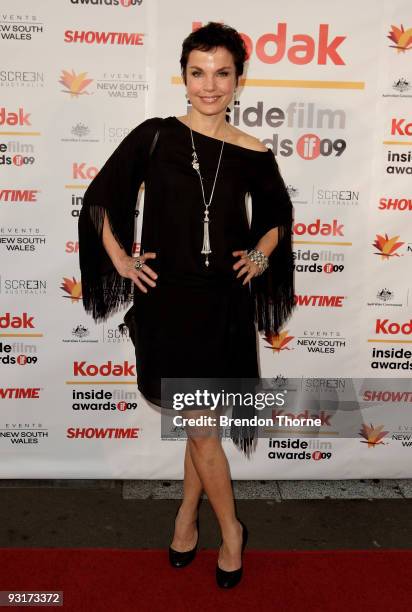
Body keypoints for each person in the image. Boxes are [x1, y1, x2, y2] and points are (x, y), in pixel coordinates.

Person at [78, 22, 294, 589]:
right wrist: (123, 262)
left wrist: (262, 255)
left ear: (238, 80)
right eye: (198, 72)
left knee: (201, 427)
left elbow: (276, 219)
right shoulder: (154, 136)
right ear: (184, 76)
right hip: (166, 304)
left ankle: (202, 526)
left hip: (222, 306)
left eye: (222, 73)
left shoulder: (252, 151)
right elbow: (99, 199)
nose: (210, 85)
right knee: (201, 427)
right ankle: (214, 525)